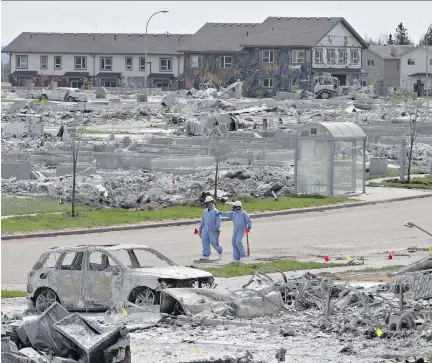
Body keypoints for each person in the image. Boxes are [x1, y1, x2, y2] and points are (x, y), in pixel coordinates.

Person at [198, 196, 223, 261]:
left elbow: (218, 221)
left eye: (208, 203)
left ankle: (220, 250)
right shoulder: (205, 211)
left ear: (212, 202)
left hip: (213, 230)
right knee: (204, 241)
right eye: (206, 203)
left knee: (214, 242)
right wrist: (200, 229)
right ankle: (206, 255)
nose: (207, 205)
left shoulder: (216, 211)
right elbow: (203, 221)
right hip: (205, 229)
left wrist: (217, 228)